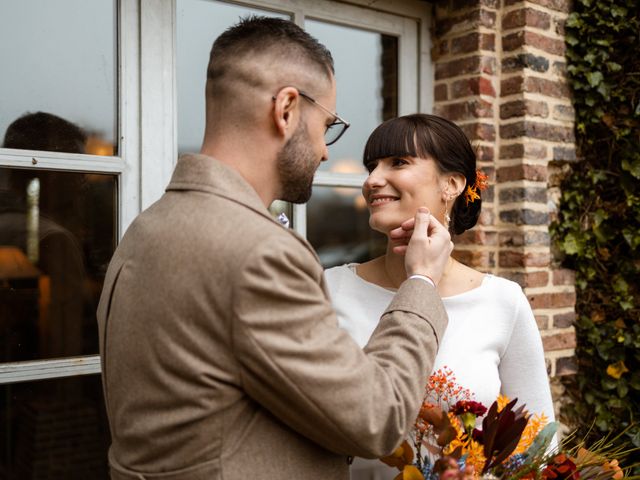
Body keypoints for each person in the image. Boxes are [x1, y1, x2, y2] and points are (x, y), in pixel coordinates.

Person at [97, 17, 454, 480]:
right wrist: (422, 282)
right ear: (286, 109)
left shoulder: (144, 229)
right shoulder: (259, 252)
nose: (326, 151)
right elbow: (377, 418)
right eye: (328, 125)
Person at [324, 113, 556, 479]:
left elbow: (536, 448)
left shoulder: (502, 302)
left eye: (397, 162)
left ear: (451, 184)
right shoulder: (330, 289)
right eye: (371, 166)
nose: (372, 180)